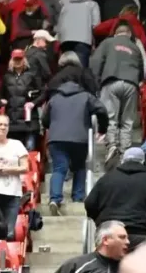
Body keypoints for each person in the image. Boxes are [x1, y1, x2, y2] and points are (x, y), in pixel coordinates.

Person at [45, 72, 108, 213]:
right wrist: (102, 129)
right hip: (80, 138)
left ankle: (54, 199)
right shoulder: (86, 96)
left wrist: (53, 127)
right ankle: (78, 198)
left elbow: (45, 119)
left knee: (59, 169)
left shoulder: (54, 98)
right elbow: (102, 109)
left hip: (56, 139)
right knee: (79, 167)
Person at [85, 147, 146, 249]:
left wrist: (101, 221)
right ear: (143, 161)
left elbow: (90, 203)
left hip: (109, 232)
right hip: (140, 232)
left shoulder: (106, 178)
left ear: (123, 160)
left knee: (106, 264)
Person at [90, 22, 145, 160]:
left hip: (111, 81)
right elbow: (142, 69)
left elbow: (95, 63)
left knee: (110, 117)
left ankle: (111, 146)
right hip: (131, 84)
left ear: (116, 34)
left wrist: (96, 84)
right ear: (130, 35)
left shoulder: (107, 43)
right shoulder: (135, 47)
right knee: (127, 120)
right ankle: (125, 150)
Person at [59, 0, 100, 67]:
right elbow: (96, 26)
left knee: (67, 68)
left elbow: (59, 26)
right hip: (83, 42)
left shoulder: (65, 6)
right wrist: (95, 44)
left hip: (65, 42)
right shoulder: (92, 5)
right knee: (81, 69)